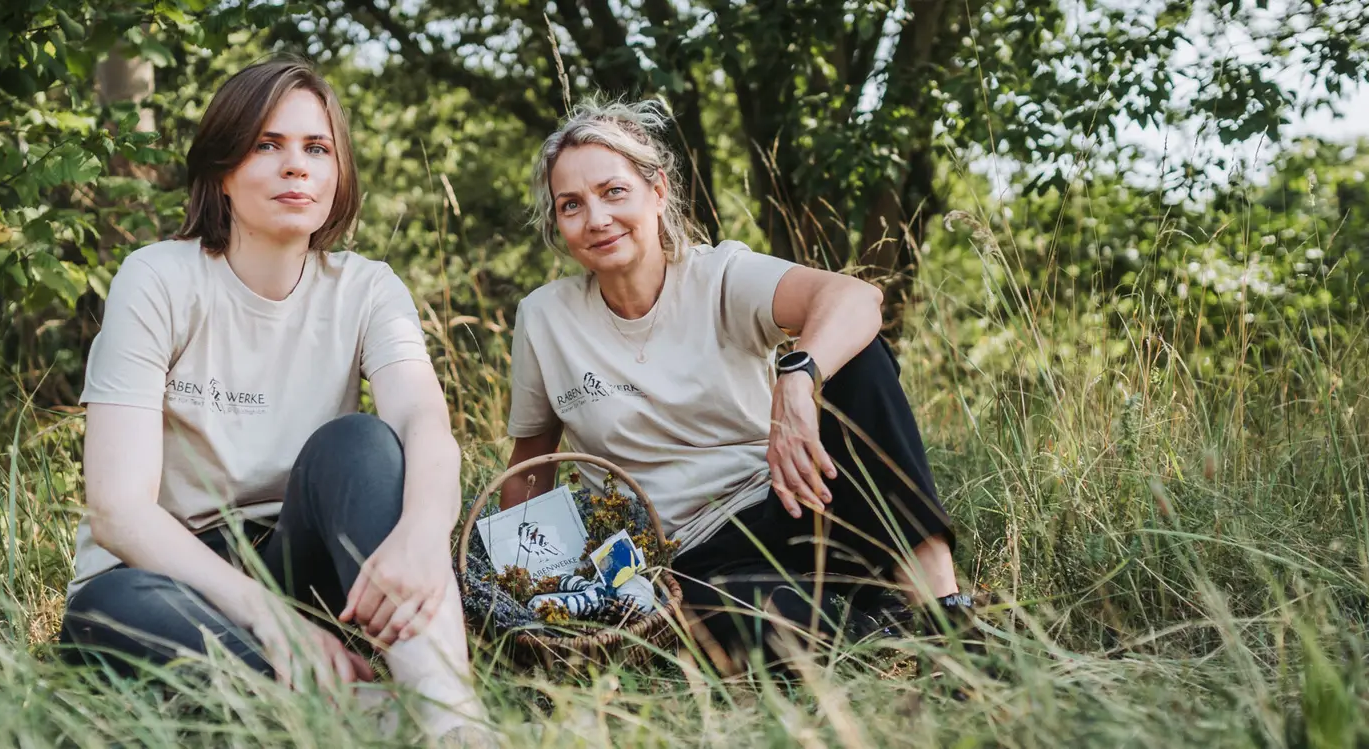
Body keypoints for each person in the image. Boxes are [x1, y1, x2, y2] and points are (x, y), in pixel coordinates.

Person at [59, 59, 487, 739]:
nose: (298, 167)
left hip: (305, 558)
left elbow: (425, 423)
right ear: (222, 170)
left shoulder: (366, 287)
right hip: (181, 575)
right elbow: (118, 512)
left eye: (317, 149)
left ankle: (450, 717)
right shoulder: (158, 279)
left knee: (361, 441)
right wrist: (267, 615)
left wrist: (423, 535)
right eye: (268, 144)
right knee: (105, 609)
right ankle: (363, 712)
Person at [497, 100, 975, 672]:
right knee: (780, 636)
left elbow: (855, 297)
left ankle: (948, 615)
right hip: (689, 558)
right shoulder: (544, 318)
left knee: (858, 354)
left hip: (797, 502)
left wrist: (797, 378)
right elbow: (530, 467)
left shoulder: (719, 275)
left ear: (658, 191)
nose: (595, 217)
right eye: (570, 205)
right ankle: (869, 621)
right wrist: (526, 589)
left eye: (613, 191)